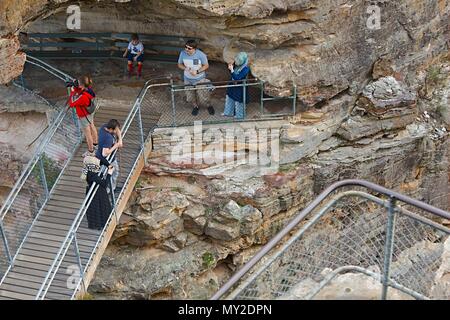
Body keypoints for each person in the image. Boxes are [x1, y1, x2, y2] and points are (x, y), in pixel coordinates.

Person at [177, 39, 215, 116]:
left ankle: (209, 105)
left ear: (194, 48)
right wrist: (186, 68)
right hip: (187, 79)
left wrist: (197, 71)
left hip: (199, 79)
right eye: (186, 47)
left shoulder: (201, 55)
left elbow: (206, 65)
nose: (186, 49)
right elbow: (179, 64)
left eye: (189, 48)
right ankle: (195, 106)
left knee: (203, 96)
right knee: (190, 96)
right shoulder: (182, 53)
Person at [81, 154, 113, 230]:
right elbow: (104, 184)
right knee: (100, 208)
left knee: (100, 208)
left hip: (97, 191)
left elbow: (102, 161)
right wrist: (109, 174)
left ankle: (102, 224)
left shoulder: (90, 169)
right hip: (97, 193)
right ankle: (100, 226)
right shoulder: (92, 174)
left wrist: (108, 165)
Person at [68, 79, 98, 153]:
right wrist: (74, 86)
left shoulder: (83, 97)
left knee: (87, 133)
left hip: (84, 115)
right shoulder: (88, 90)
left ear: (81, 85)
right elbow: (80, 90)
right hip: (90, 111)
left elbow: (71, 104)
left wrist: (72, 92)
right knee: (92, 125)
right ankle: (95, 143)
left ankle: (91, 151)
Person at [96, 119, 123, 193]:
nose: (116, 131)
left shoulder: (104, 127)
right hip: (107, 160)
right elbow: (105, 153)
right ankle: (108, 190)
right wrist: (116, 145)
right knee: (110, 174)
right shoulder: (108, 138)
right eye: (115, 130)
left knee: (114, 172)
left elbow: (117, 130)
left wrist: (120, 140)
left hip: (105, 158)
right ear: (111, 129)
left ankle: (112, 188)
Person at [223, 52, 250, 120]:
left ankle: (239, 116)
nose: (236, 62)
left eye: (239, 61)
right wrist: (230, 68)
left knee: (239, 102)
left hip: (240, 88)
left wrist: (232, 70)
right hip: (232, 85)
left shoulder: (245, 69)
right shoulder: (237, 64)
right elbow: (232, 73)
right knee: (229, 98)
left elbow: (237, 78)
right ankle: (228, 112)